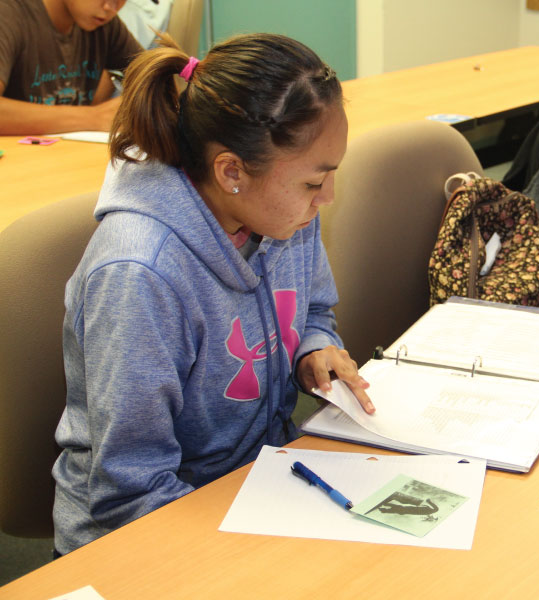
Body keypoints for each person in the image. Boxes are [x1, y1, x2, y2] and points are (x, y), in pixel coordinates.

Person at [51, 32, 374, 556]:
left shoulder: (285, 213)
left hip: (258, 486)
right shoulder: (140, 275)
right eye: (315, 183)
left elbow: (313, 307)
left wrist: (313, 346)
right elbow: (131, 488)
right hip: (141, 536)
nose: (328, 198)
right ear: (231, 172)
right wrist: (247, 556)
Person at [0, 0, 143, 134]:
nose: (111, 7)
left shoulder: (105, 25)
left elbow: (156, 78)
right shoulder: (8, 13)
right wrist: (94, 118)